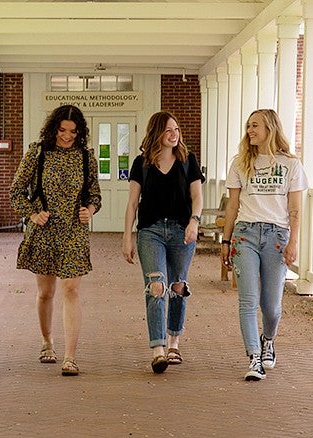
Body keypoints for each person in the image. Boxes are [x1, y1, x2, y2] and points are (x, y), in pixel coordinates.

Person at [9, 104, 101, 376]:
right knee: (46, 292)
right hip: (45, 231)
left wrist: (90, 210)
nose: (67, 136)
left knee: (71, 289)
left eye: (73, 131)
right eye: (62, 130)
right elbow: (16, 192)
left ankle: (70, 357)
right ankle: (47, 342)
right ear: (53, 128)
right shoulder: (37, 153)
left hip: (74, 231)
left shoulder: (86, 156)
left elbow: (95, 193)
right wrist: (32, 214)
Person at [221, 109, 308, 381]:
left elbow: (295, 209)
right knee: (247, 301)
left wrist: (294, 242)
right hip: (245, 235)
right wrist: (226, 240)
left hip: (277, 237)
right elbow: (233, 206)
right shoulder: (240, 163)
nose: (250, 130)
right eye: (248, 126)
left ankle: (268, 339)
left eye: (255, 125)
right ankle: (254, 358)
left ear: (270, 127)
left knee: (271, 305)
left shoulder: (291, 165)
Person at [123, 111, 204, 374]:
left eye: (177, 129)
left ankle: (173, 342)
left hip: (182, 231)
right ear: (157, 133)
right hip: (151, 231)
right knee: (156, 285)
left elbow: (197, 196)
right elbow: (133, 203)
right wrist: (127, 236)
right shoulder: (141, 163)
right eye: (168, 130)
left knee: (178, 286)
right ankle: (158, 349)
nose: (174, 134)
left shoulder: (188, 160)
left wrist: (194, 221)